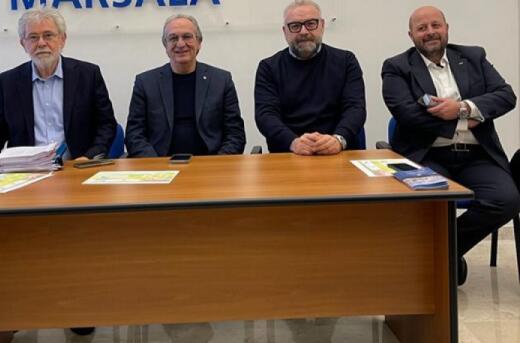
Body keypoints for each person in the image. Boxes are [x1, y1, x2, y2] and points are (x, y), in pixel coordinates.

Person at [382, 6, 520, 285]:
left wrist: (462, 108)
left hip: (477, 155)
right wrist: (463, 123)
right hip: (427, 156)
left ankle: (444, 253)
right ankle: (444, 259)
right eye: (422, 28)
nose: (430, 32)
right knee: (427, 202)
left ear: (447, 28)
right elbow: (406, 114)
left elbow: (506, 96)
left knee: (506, 200)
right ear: (411, 35)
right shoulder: (397, 66)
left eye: (436, 25)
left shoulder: (473, 56)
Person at [0, 8, 117, 175]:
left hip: (76, 168)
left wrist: (88, 157)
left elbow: (106, 125)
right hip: (25, 172)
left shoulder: (88, 75)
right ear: (23, 44)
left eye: (48, 35)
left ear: (62, 39)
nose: (41, 43)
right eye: (33, 37)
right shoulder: (7, 83)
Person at [125, 14, 246, 158]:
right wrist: (156, 164)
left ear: (199, 42)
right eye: (173, 38)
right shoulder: (145, 83)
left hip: (210, 163)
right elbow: (134, 135)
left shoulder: (221, 81)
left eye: (187, 37)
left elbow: (235, 134)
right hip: (161, 164)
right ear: (165, 45)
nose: (180, 44)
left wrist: (216, 163)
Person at [254, 0, 366, 155]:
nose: (303, 31)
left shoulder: (346, 61)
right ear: (285, 31)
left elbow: (355, 108)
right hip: (289, 154)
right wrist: (293, 142)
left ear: (322, 25)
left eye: (311, 24)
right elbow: (266, 115)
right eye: (295, 26)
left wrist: (338, 140)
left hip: (338, 152)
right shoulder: (268, 68)